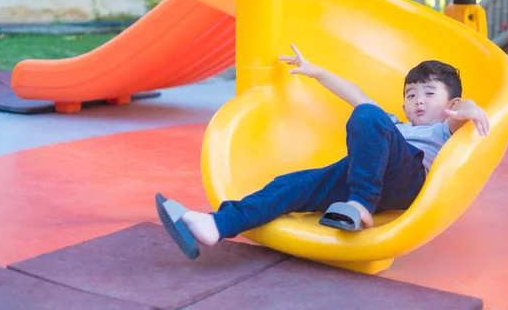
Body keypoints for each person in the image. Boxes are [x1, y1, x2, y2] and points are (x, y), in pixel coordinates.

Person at [155, 44, 490, 259]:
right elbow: (355, 94)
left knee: (367, 115)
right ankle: (217, 225)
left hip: (406, 178)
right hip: (361, 175)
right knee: (290, 185)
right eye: (412, 94)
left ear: (451, 103)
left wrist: (471, 109)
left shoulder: (444, 126)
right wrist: (316, 72)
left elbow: (464, 117)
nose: (418, 100)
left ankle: (360, 205)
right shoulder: (390, 123)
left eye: (429, 93)